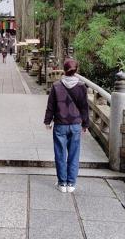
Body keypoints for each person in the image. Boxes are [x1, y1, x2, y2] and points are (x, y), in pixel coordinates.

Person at [44, 59, 89, 193]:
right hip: (75, 124)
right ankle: (71, 183)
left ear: (64, 70)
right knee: (74, 154)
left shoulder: (57, 86)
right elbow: (84, 107)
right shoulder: (82, 86)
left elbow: (51, 105)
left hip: (60, 124)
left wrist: (48, 121)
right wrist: (85, 124)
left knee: (60, 153)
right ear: (76, 70)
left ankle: (62, 183)